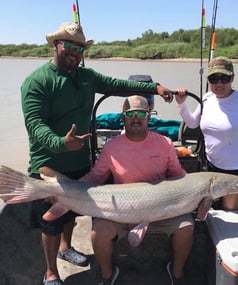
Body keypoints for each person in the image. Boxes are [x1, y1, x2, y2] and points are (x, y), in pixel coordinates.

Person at [21, 22, 174, 285]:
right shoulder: (36, 82)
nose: (74, 52)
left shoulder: (87, 77)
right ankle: (50, 272)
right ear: (56, 45)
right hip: (48, 164)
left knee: (71, 211)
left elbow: (117, 85)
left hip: (79, 160)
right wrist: (60, 143)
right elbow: (35, 126)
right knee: (50, 224)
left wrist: (155, 88)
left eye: (79, 48)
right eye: (68, 45)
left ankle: (66, 248)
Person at [80, 95, 197, 285]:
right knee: (98, 231)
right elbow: (95, 178)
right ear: (123, 118)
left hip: (161, 210)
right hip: (121, 212)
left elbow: (179, 176)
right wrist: (66, 189)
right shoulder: (111, 147)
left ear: (149, 117)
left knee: (186, 227)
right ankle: (107, 276)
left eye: (141, 114)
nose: (136, 118)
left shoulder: (164, 143)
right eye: (131, 114)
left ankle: (177, 274)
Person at [175, 56, 238, 211]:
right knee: (213, 208)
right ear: (208, 80)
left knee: (229, 210)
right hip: (211, 167)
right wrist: (181, 103)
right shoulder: (207, 99)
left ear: (232, 78)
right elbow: (192, 123)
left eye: (224, 78)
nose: (219, 84)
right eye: (214, 78)